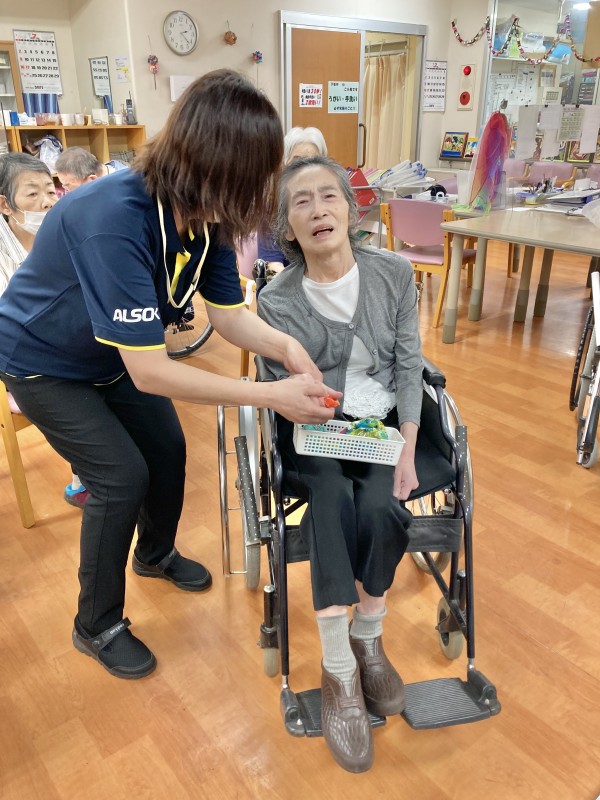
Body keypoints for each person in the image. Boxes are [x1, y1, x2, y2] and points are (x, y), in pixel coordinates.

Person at [0, 70, 339, 681]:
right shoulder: (110, 216)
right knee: (119, 477)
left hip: (111, 355)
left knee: (166, 448)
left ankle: (153, 554)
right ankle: (95, 624)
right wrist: (269, 394)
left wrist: (287, 346)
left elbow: (228, 316)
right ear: (212, 163)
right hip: (42, 360)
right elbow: (152, 372)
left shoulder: (207, 215)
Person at [257, 155, 422, 773]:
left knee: (379, 506)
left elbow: (410, 364)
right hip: (312, 425)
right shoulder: (275, 300)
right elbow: (279, 386)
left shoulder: (393, 273)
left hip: (379, 425)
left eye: (330, 196)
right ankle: (338, 672)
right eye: (301, 201)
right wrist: (312, 408)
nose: (318, 209)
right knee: (328, 499)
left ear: (352, 212)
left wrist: (407, 444)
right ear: (287, 227)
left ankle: (368, 639)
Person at [0, 153, 88, 506]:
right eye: (32, 194)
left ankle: (95, 475)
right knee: (84, 391)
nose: (47, 202)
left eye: (50, 191)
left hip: (64, 342)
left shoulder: (64, 232)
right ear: (5, 205)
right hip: (19, 360)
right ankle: (86, 479)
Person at [254, 127, 327, 288]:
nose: (305, 168)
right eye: (297, 161)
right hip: (285, 288)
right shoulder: (272, 205)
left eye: (313, 161)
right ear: (284, 164)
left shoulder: (331, 203)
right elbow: (272, 266)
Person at [55, 147, 128, 192]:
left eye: (68, 186)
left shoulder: (127, 188)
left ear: (91, 180)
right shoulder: (104, 175)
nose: (67, 192)